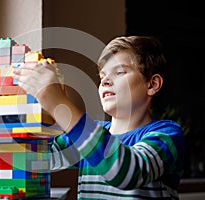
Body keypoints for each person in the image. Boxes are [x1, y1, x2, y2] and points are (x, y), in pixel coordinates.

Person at [13, 36, 185, 199]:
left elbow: (127, 172)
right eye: (102, 77)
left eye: (119, 72)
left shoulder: (167, 135)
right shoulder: (87, 136)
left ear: (152, 84)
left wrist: (59, 106)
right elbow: (37, 158)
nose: (105, 81)